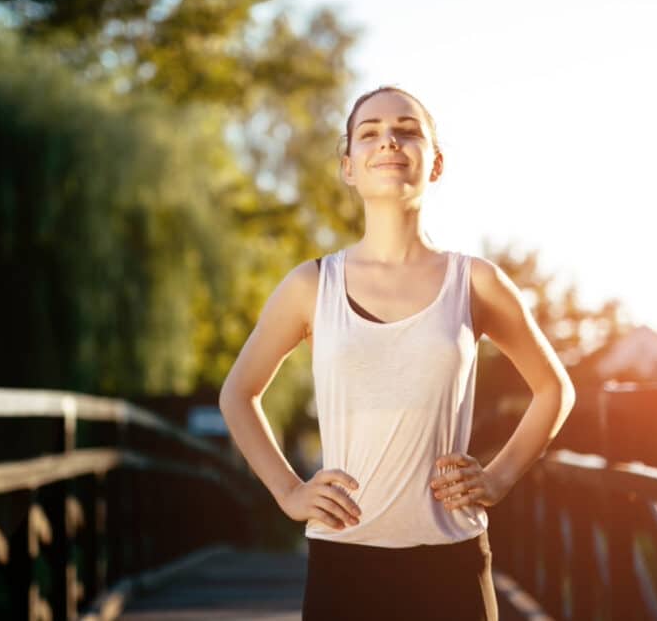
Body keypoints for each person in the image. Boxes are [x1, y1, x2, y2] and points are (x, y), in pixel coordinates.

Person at [218, 85, 576, 620]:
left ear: (436, 163)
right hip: (343, 564)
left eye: (407, 130)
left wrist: (498, 477)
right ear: (348, 167)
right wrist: (289, 492)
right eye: (370, 133)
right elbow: (238, 394)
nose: (388, 140)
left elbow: (554, 390)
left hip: (452, 561)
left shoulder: (476, 282)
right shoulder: (311, 285)